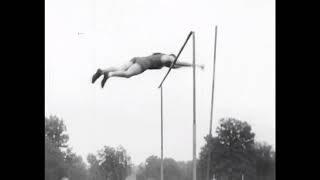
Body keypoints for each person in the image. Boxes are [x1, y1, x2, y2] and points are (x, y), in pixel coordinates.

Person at [92, 53, 204, 88]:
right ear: (173, 57)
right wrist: (196, 65)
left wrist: (187, 67)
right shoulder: (167, 57)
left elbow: (176, 66)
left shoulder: (163, 60)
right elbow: (178, 63)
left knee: (120, 69)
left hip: (138, 59)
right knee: (127, 75)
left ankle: (101, 71)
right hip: (144, 64)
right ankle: (109, 74)